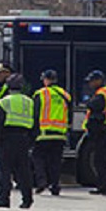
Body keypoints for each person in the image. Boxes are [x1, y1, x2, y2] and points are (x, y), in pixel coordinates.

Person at [0, 74, 35, 209]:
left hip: (7, 139)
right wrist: (30, 140)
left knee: (5, 171)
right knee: (23, 171)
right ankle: (27, 199)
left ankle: (4, 199)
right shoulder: (29, 102)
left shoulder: (4, 102)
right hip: (23, 138)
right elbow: (36, 123)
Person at [31, 69, 71, 197]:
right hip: (59, 134)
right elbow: (68, 114)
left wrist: (32, 132)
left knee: (38, 158)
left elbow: (35, 114)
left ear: (46, 80)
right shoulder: (65, 95)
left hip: (44, 133)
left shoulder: (41, 94)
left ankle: (42, 182)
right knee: (55, 161)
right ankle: (55, 185)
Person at [82, 70, 106, 195]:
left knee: (101, 160)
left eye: (92, 81)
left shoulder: (102, 93)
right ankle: (103, 186)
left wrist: (88, 102)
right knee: (102, 159)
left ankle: (105, 186)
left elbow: (93, 106)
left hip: (103, 131)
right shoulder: (104, 92)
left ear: (99, 80)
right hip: (104, 130)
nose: (90, 84)